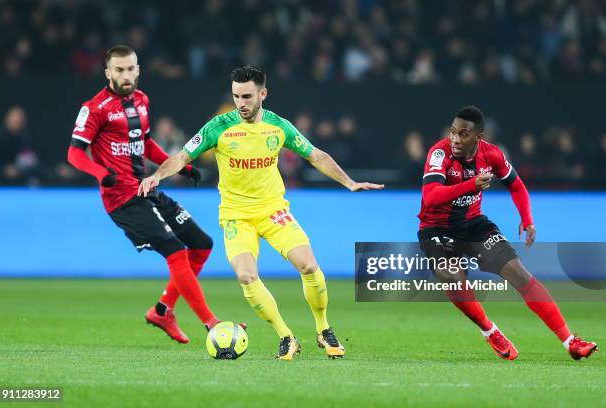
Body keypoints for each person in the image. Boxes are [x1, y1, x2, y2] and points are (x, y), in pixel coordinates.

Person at [138, 65, 384, 360]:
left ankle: (323, 328)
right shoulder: (219, 127)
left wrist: (349, 182)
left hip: (273, 210)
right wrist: (157, 176)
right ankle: (286, 336)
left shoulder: (279, 126)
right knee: (246, 275)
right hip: (235, 216)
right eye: (236, 96)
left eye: (247, 96)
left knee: (308, 265)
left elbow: (315, 155)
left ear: (262, 94)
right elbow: (181, 156)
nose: (240, 103)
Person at [67, 44, 224, 345]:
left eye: (130, 69)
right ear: (108, 73)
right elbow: (74, 154)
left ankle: (163, 311)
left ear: (138, 69)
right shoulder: (95, 108)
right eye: (119, 70)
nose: (126, 75)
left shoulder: (141, 100)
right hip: (122, 200)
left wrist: (177, 166)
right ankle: (212, 324)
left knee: (201, 244)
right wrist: (101, 174)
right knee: (176, 251)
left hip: (147, 189)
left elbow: (145, 144)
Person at [418, 105, 597, 361]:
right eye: (453, 132)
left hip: (473, 225)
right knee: (451, 275)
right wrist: (471, 185)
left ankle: (570, 341)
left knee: (520, 273)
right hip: (436, 227)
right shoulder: (439, 153)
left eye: (463, 134)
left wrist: (527, 219)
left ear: (478, 138)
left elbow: (516, 185)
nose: (456, 139)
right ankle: (490, 331)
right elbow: (431, 197)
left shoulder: (492, 155)